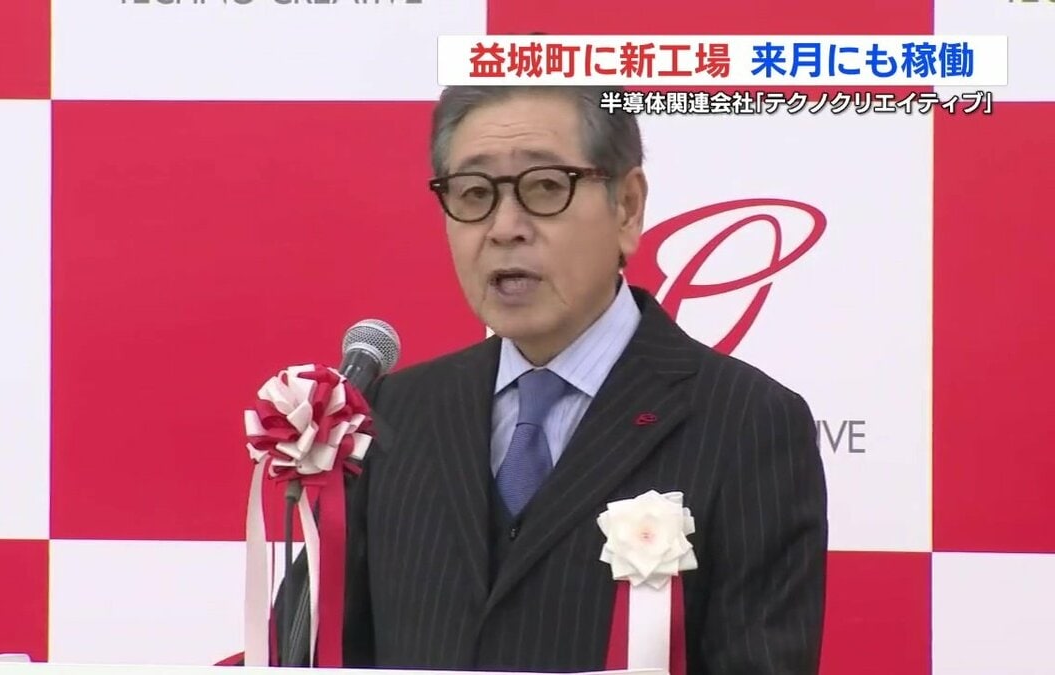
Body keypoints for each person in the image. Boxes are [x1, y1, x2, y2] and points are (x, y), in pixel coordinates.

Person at [341, 84, 829, 674]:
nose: (504, 227)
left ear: (627, 206)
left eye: (546, 186)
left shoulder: (749, 423)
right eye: (474, 193)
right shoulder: (395, 412)